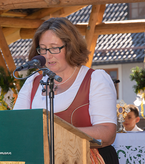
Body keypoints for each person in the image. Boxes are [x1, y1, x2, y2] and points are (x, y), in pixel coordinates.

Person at [13, 17, 119, 163]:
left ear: (70, 47)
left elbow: (107, 133)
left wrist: (56, 134)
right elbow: (15, 127)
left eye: (54, 48)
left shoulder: (95, 79)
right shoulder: (32, 83)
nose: (47, 55)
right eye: (43, 48)